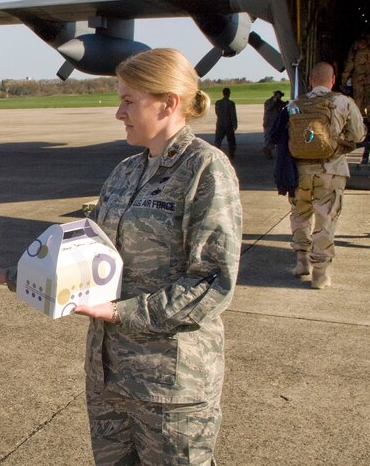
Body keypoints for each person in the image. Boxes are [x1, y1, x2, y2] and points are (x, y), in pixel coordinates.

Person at [74, 49, 241, 465]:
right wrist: (9, 271)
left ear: (168, 103)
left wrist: (119, 312)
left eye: (129, 101)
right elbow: (85, 251)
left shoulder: (206, 169)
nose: (119, 113)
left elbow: (211, 283)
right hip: (110, 377)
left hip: (169, 386)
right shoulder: (127, 170)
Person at [287, 62, 366, 289]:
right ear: (333, 80)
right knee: (326, 219)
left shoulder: (293, 105)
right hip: (330, 170)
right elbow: (358, 134)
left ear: (310, 80)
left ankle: (302, 261)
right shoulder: (343, 102)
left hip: (299, 172)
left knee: (300, 214)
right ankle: (319, 273)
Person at [213, 87, 238, 159]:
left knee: (218, 140)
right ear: (229, 94)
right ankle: (231, 155)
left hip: (220, 123)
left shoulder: (218, 102)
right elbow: (233, 115)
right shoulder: (231, 103)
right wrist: (235, 124)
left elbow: (216, 113)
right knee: (231, 141)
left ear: (223, 93)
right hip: (228, 124)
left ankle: (216, 154)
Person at [262, 90, 286, 158]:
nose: (280, 98)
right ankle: (267, 149)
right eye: (279, 96)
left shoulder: (279, 102)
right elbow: (268, 108)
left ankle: (269, 149)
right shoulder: (269, 101)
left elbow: (284, 104)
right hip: (269, 122)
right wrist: (274, 100)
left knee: (273, 137)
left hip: (275, 122)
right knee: (268, 136)